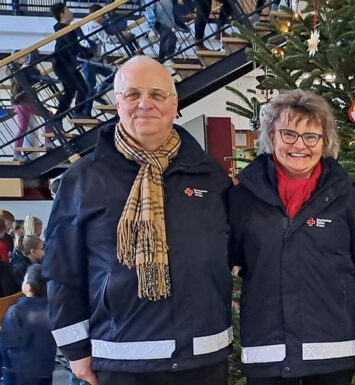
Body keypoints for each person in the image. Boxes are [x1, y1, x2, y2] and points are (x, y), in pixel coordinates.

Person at [44, 55, 233, 385]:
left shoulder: (210, 176)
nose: (145, 103)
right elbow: (62, 271)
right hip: (120, 361)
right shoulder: (83, 179)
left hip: (202, 358)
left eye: (157, 94)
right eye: (133, 94)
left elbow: (241, 250)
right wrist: (75, 351)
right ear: (118, 103)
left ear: (174, 104)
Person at [228, 89, 355, 385]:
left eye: (311, 136)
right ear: (271, 136)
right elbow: (227, 259)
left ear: (325, 142)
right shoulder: (242, 199)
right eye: (288, 134)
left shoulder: (350, 202)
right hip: (268, 349)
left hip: (332, 351)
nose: (299, 145)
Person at [0, 264, 58, 385]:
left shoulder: (15, 311)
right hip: (45, 368)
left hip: (17, 370)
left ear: (28, 287)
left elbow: (6, 342)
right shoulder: (52, 310)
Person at [50, 3, 93, 119]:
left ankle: (58, 119)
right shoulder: (63, 30)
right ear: (62, 14)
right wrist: (88, 52)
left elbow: (74, 46)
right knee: (82, 88)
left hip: (65, 65)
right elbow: (72, 46)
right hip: (63, 65)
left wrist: (87, 52)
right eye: (67, 10)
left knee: (71, 91)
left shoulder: (64, 29)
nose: (70, 12)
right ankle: (76, 113)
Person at [80, 4, 115, 95]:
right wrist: (122, 37)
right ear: (98, 15)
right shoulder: (95, 26)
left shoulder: (84, 24)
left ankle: (98, 94)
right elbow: (107, 39)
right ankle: (98, 95)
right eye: (102, 15)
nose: (103, 19)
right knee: (111, 76)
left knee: (92, 86)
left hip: (87, 59)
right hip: (91, 60)